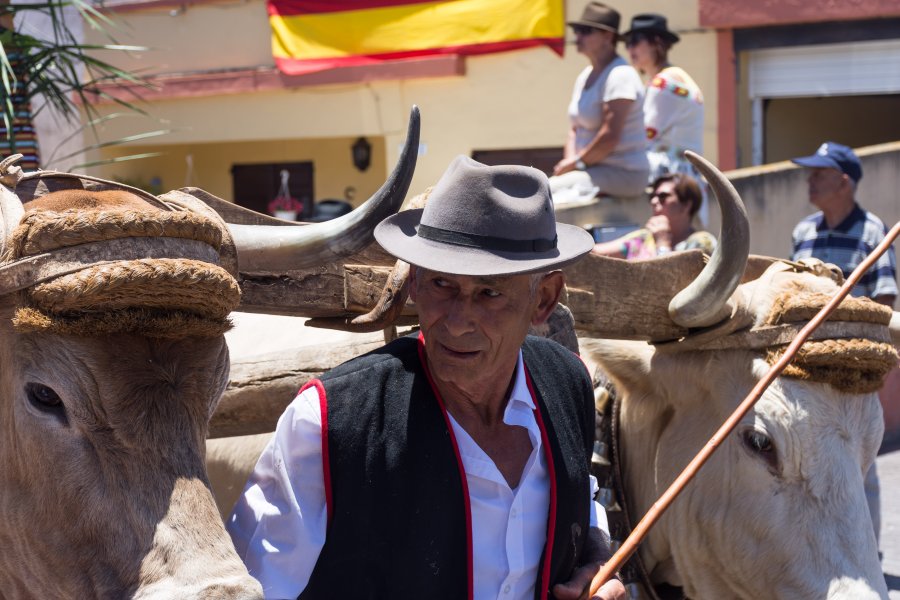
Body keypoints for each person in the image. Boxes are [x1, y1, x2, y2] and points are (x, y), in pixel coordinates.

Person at [228, 155, 627, 600]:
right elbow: (254, 589)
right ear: (413, 281)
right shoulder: (327, 424)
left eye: (489, 293)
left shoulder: (567, 382)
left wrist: (593, 558)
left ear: (544, 300)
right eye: (442, 285)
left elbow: (581, 497)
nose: (457, 321)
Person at [789, 140, 897, 554]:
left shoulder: (873, 233)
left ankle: (867, 551)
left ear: (844, 181)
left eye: (819, 173)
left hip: (853, 369)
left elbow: (884, 302)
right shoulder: (803, 232)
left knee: (860, 465)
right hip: (806, 365)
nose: (809, 180)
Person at [550, 2, 649, 203]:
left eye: (586, 31)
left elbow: (610, 137)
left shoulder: (621, 75)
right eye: (577, 30)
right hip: (591, 169)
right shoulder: (585, 75)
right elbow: (575, 129)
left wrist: (575, 164)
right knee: (545, 190)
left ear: (608, 36)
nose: (578, 36)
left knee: (547, 194)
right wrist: (569, 163)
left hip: (624, 173)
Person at [623, 14, 704, 187]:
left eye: (635, 41)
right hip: (689, 177)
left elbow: (643, 135)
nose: (630, 49)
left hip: (669, 178)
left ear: (657, 43)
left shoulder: (663, 84)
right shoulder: (677, 76)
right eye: (627, 43)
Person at [592, 172, 715, 259]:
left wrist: (662, 242)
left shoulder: (701, 243)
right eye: (652, 197)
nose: (653, 202)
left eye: (663, 197)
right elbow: (596, 252)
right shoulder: (644, 238)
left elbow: (672, 284)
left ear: (686, 205)